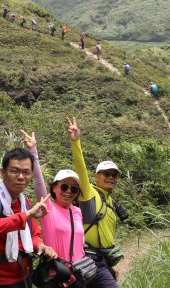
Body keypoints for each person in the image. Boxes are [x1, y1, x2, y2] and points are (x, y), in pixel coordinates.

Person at [0, 148, 57, 287]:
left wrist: (41, 246)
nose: (21, 177)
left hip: (23, 277)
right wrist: (27, 215)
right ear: (3, 172)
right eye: (14, 171)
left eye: (26, 172)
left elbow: (33, 235)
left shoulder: (24, 202)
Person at [68, 117, 121, 288]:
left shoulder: (110, 201)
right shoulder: (89, 192)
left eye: (114, 175)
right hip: (89, 258)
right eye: (106, 174)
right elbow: (80, 168)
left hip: (102, 259)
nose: (111, 177)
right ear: (96, 177)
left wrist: (110, 265)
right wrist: (76, 141)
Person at [21, 130, 85, 265]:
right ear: (54, 187)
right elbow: (38, 180)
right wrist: (33, 150)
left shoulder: (77, 211)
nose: (68, 191)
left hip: (79, 275)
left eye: (74, 188)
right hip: (57, 273)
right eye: (64, 186)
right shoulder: (48, 207)